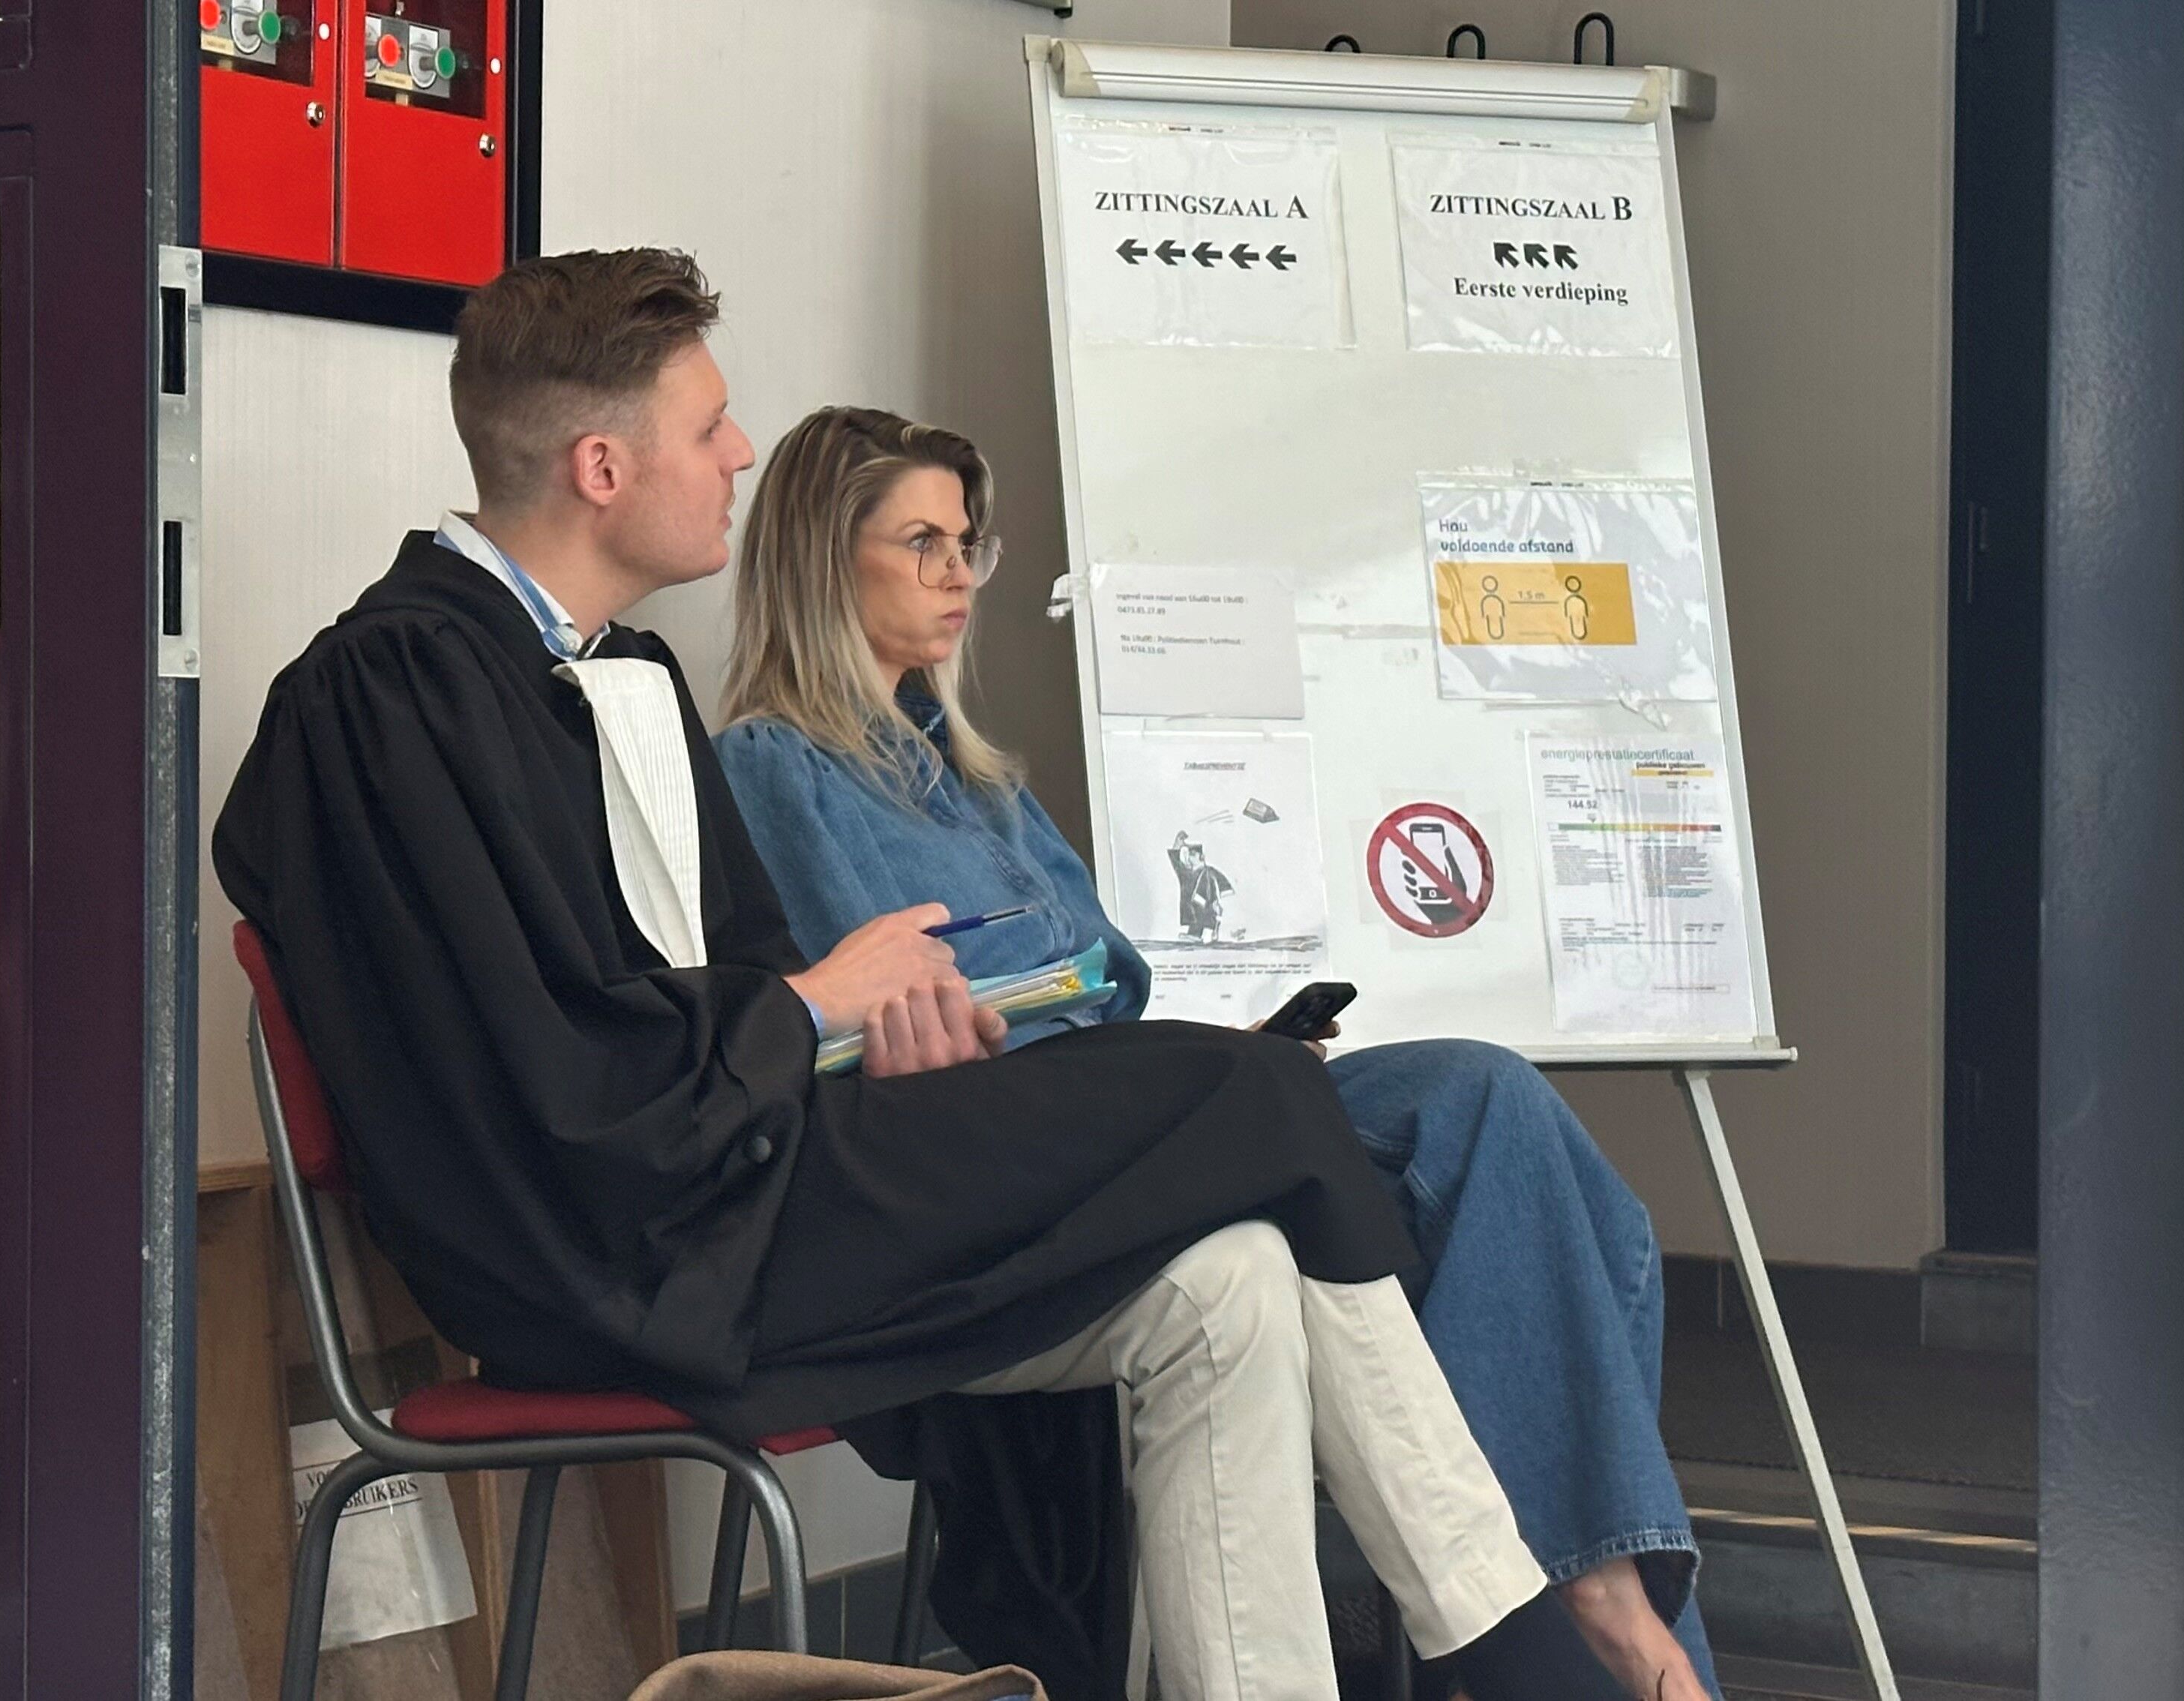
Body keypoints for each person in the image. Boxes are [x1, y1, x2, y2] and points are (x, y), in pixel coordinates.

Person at [213, 250, 1645, 1701]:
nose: (740, 452)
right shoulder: (391, 690)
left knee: (1233, 1279)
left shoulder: (621, 672)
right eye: (707, 426)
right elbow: (548, 1075)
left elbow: (712, 1003)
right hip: (621, 1250)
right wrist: (809, 1008)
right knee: (1257, 1096)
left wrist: (852, 1031)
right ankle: (1538, 1660)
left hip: (736, 1174)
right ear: (601, 467)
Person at [710, 405, 1720, 1701]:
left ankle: (1593, 1600)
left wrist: (1213, 1060)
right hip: (1008, 1152)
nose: (960, 575)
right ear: (819, 560)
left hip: (1135, 1110)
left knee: (1492, 1105)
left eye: (969, 545)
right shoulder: (774, 767)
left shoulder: (976, 778)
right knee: (1443, 1188)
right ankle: (1602, 1638)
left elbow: (1106, 989)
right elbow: (859, 1024)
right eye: (923, 544)